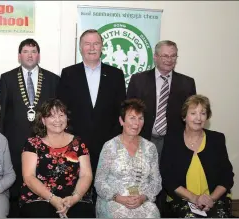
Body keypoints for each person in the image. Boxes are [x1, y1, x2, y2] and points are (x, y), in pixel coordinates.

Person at [56, 29, 126, 203]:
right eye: (87, 44)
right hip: (75, 143)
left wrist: (114, 137)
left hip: (107, 142)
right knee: (78, 193)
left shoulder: (116, 75)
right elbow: (62, 110)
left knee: (105, 190)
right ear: (81, 47)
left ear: (102, 47)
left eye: (96, 43)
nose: (92, 48)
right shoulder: (68, 74)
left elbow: (121, 110)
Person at [0, 38, 60, 217]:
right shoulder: (7, 78)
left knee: (43, 179)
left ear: (38, 55)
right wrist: (1, 141)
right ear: (19, 56)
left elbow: (57, 114)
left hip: (44, 141)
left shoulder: (53, 79)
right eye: (26, 51)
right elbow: (2, 113)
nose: (30, 55)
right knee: (16, 182)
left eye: (33, 51)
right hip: (15, 140)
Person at [160, 95, 234, 218]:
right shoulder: (171, 140)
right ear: (184, 116)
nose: (198, 118)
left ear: (207, 117)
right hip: (182, 200)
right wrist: (194, 198)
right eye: (193, 113)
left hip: (213, 199)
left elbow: (227, 176)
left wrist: (211, 199)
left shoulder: (217, 139)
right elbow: (167, 178)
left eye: (203, 113)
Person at [20, 98, 94, 218]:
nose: (58, 120)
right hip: (40, 198)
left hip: (75, 198)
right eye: (52, 116)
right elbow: (29, 177)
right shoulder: (32, 143)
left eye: (61, 115)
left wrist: (75, 198)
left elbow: (86, 175)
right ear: (43, 120)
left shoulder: (79, 143)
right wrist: (52, 199)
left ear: (66, 118)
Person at [126, 40, 196, 156]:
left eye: (173, 56)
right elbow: (128, 111)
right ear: (155, 57)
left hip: (174, 142)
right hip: (142, 140)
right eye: (165, 56)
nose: (169, 59)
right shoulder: (138, 80)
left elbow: (191, 115)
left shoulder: (187, 83)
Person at [94, 99, 162, 218]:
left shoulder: (150, 148)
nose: (136, 123)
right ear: (121, 121)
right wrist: (118, 198)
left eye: (140, 118)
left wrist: (143, 197)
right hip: (113, 201)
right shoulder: (109, 146)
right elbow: (99, 181)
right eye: (132, 118)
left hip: (142, 202)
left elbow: (156, 181)